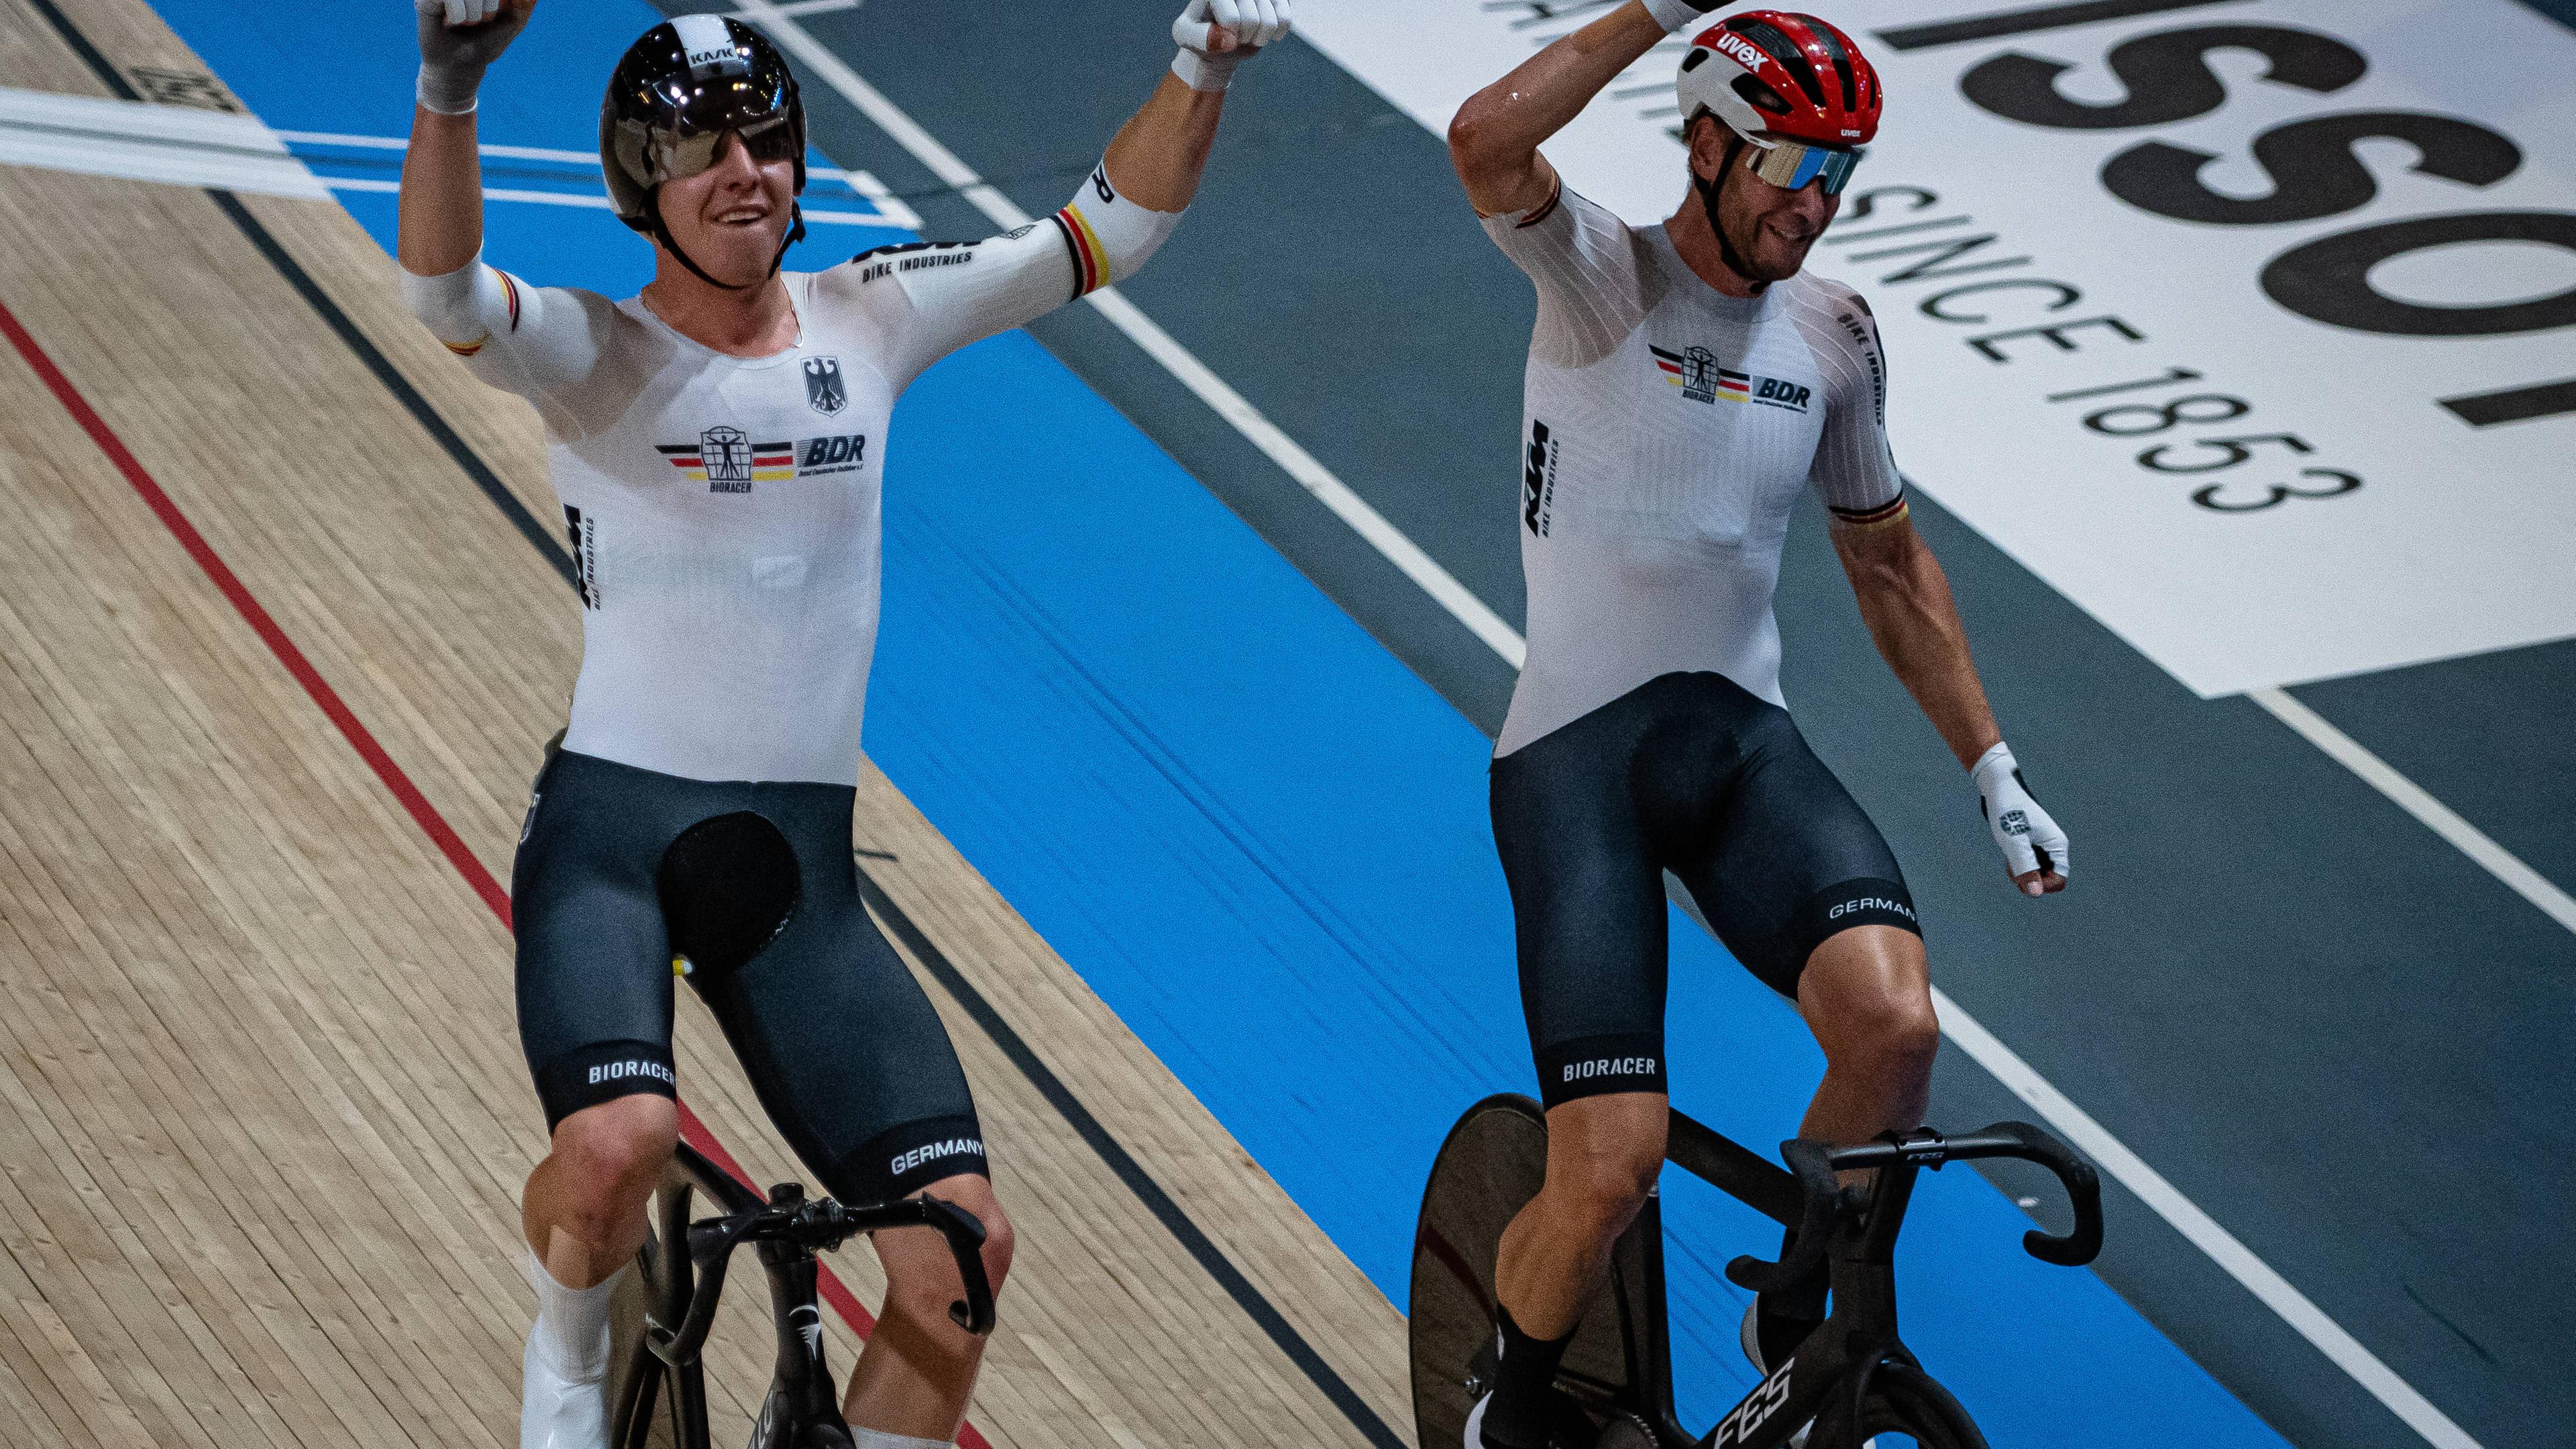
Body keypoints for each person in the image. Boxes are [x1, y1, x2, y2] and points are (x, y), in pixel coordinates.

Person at [394, 2, 1295, 1446]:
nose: (743, 168)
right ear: (642, 184)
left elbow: (1105, 233)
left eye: (765, 136)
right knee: (622, 1141)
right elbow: (443, 296)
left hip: (800, 876)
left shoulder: (875, 312)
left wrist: (1200, 67)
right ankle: (566, 1349)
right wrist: (450, 84)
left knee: (964, 1266)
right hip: (615, 843)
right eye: (699, 145)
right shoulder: (593, 352)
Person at [1444, 3, 2070, 1443]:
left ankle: (1798, 1313)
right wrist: (1655, 10)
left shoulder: (1837, 334)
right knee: (1609, 1169)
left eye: (1841, 174)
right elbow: (1484, 138)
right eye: (1792, 162)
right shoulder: (1603, 277)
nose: (1816, 199)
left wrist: (1993, 764)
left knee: (1896, 1031)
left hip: (1740, 750)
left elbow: (1889, 563)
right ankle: (1506, 1400)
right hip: (1576, 767)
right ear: (1710, 141)